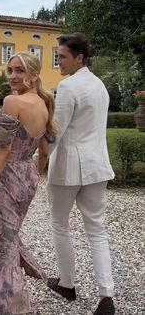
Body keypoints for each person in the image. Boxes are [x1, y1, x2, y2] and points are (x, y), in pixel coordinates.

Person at [0, 52, 56, 314]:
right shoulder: (44, 103)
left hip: (9, 179)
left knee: (6, 246)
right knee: (10, 237)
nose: (13, 76)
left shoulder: (12, 101)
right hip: (27, 178)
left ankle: (15, 306)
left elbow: (4, 151)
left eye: (19, 71)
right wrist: (33, 178)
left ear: (34, 75)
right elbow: (43, 151)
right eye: (10, 71)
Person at [46, 33, 115, 315]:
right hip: (98, 165)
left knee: (60, 224)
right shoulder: (100, 86)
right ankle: (106, 295)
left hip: (68, 169)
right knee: (97, 231)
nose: (58, 61)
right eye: (57, 55)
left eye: (62, 56)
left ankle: (67, 284)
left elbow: (55, 133)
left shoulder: (68, 86)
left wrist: (33, 157)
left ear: (79, 58)